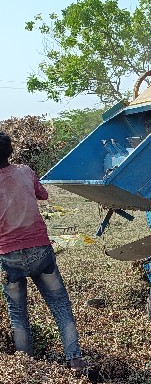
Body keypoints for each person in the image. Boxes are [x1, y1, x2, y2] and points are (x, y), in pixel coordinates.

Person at [0, 131, 86, 371]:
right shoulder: (25, 171)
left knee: (18, 313)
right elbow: (43, 194)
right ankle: (75, 358)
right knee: (60, 305)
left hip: (9, 257)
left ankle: (25, 365)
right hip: (40, 251)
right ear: (11, 151)